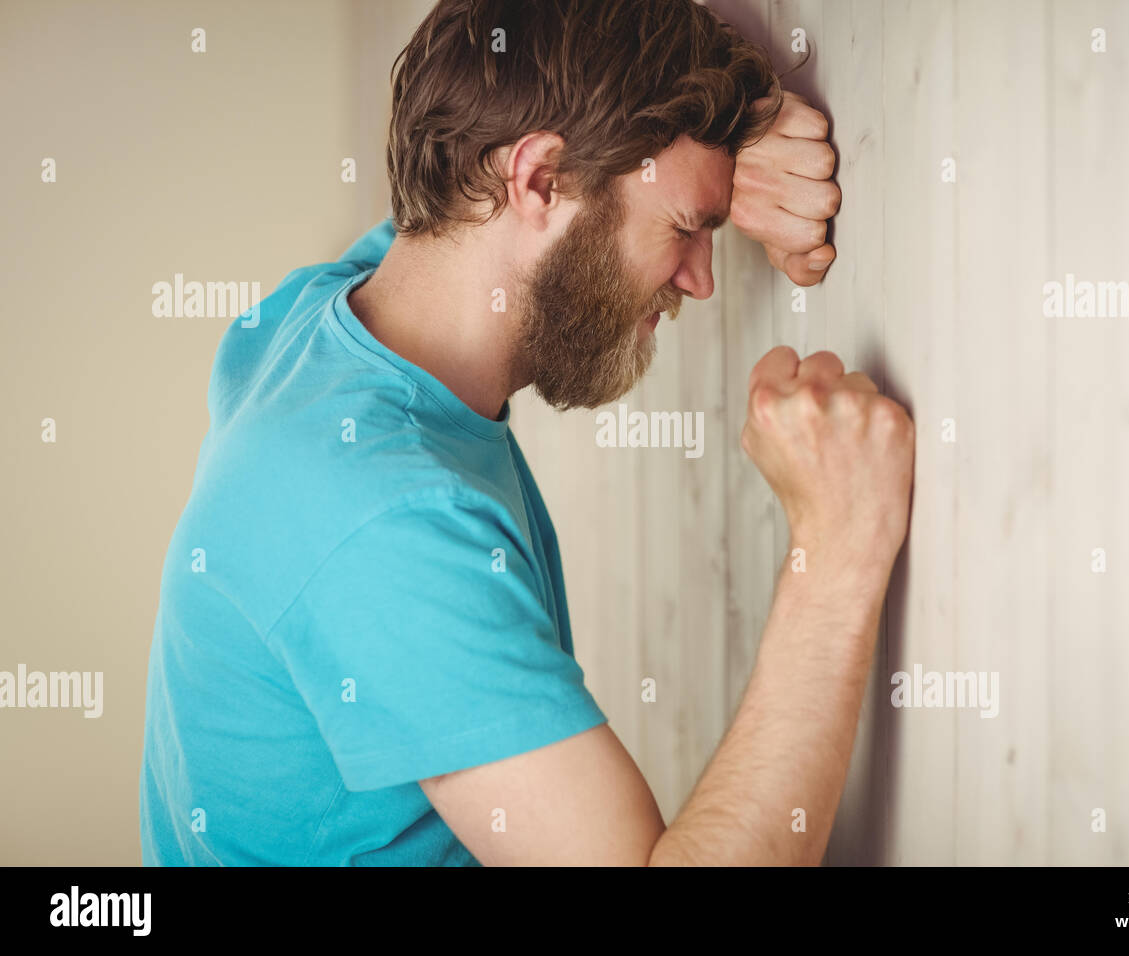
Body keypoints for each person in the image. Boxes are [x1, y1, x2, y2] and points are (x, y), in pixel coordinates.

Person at [139, 0, 914, 866]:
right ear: (539, 181)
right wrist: (838, 546)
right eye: (687, 232)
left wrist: (731, 133)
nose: (700, 280)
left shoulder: (328, 318)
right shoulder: (378, 516)